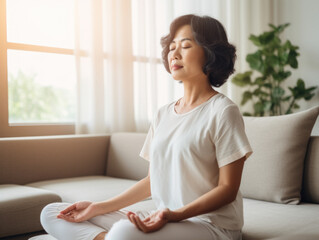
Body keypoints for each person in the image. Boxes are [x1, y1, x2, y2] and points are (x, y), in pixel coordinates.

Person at [40, 14, 253, 240]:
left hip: (210, 225)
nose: (175, 54)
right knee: (53, 212)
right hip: (164, 216)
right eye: (171, 47)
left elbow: (227, 189)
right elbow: (152, 182)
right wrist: (97, 207)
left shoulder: (222, 111)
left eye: (186, 45)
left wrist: (174, 215)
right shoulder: (163, 114)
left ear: (210, 53)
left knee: (123, 233)